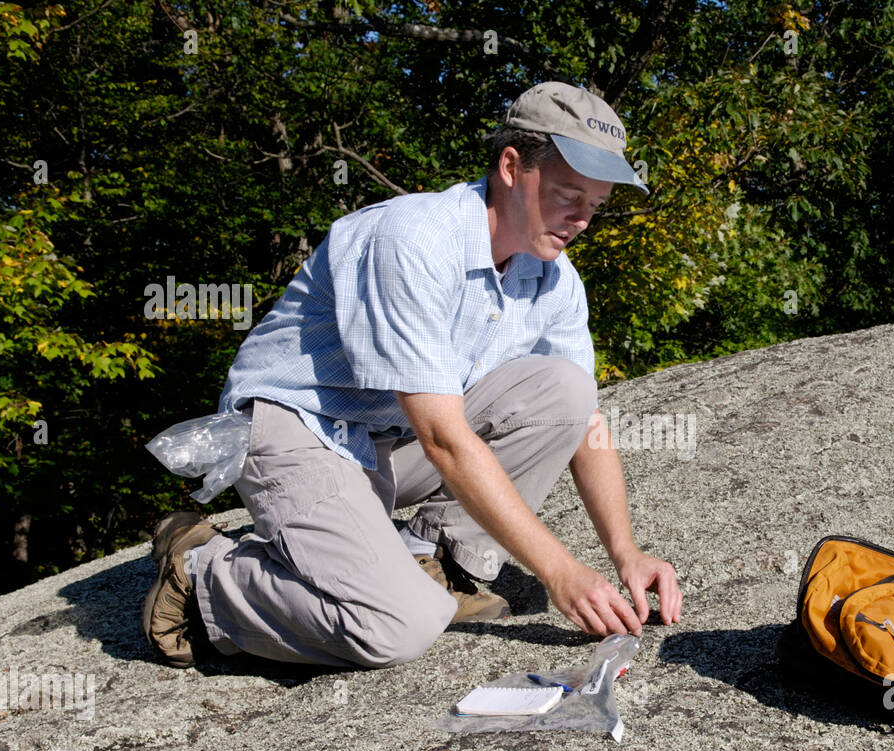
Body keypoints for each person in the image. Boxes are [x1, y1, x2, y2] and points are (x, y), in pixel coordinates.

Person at [143, 81, 683, 669]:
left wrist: (625, 552)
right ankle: (201, 574)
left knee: (567, 392)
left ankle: (439, 561)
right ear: (510, 166)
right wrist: (559, 571)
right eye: (567, 195)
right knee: (395, 628)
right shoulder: (418, 240)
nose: (581, 220)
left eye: (595, 206)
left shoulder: (555, 278)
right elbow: (445, 440)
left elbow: (585, 422)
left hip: (387, 442)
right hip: (298, 429)